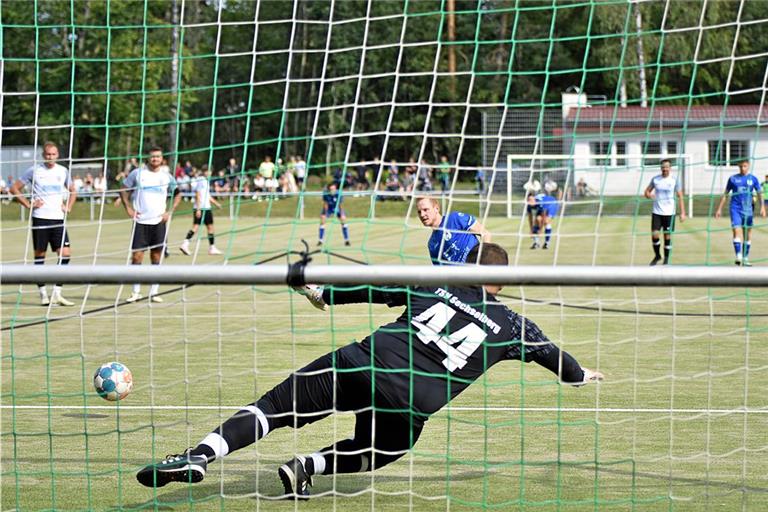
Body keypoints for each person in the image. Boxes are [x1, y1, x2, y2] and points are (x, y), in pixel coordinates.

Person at [135, 243, 603, 497]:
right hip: (412, 402)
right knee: (384, 448)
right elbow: (556, 358)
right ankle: (308, 465)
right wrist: (581, 375)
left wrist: (316, 289)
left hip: (362, 364)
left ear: (463, 264)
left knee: (274, 408)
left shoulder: (435, 282)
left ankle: (200, 454)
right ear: (504, 281)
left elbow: (369, 287)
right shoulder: (515, 324)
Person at [10, 142, 77, 306]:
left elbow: (73, 190)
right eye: (48, 154)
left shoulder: (63, 171)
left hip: (58, 219)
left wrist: (68, 206)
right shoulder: (34, 170)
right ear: (43, 155)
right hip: (40, 218)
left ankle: (57, 293)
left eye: (53, 154)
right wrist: (28, 204)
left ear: (58, 155)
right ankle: (43, 295)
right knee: (40, 257)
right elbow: (14, 188)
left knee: (65, 255)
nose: (50, 157)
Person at [119, 146, 182, 302]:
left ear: (162, 159)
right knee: (137, 257)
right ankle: (135, 291)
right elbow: (123, 189)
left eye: (158, 157)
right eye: (152, 156)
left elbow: (178, 194)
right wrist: (128, 207)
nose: (155, 159)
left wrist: (170, 212)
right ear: (148, 158)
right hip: (141, 221)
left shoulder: (167, 177)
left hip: (159, 222)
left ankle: (154, 292)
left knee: (156, 257)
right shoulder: (138, 173)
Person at [715, 160, 766, 266]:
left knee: (747, 234)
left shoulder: (753, 179)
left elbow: (760, 193)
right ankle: (738, 255)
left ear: (748, 166)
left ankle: (745, 257)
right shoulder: (733, 179)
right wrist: (719, 209)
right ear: (738, 167)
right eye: (741, 166)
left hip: (748, 210)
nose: (743, 168)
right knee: (736, 231)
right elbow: (725, 194)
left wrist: (762, 207)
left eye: (745, 166)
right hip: (735, 209)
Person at [416, 196, 491, 264]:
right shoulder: (432, 244)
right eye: (419, 212)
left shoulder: (455, 218)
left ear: (436, 209)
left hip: (479, 271)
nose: (422, 215)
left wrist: (483, 261)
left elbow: (485, 234)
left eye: (425, 210)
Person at [643, 159, 686, 265]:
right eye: (663, 167)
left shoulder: (674, 180)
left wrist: (683, 212)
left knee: (667, 236)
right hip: (657, 212)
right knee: (655, 234)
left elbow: (680, 196)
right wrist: (649, 195)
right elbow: (647, 191)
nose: (665, 169)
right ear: (660, 168)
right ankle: (657, 256)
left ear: (670, 168)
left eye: (667, 167)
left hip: (669, 213)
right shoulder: (656, 179)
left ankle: (666, 259)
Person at [180, 167, 223, 256]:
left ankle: (212, 248)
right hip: (202, 208)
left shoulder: (205, 181)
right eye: (208, 171)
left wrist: (216, 203)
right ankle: (185, 244)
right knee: (197, 227)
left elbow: (207, 196)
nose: (210, 173)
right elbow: (198, 194)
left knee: (208, 227)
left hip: (206, 208)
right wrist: (199, 209)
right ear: (205, 172)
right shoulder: (201, 180)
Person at [318, 182, 350, 246]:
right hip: (329, 208)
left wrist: (341, 213)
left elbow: (340, 205)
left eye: (334, 189)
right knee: (322, 219)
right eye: (331, 189)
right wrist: (324, 213)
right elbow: (325, 204)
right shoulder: (326, 193)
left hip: (336, 207)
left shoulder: (339, 193)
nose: (332, 191)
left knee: (343, 220)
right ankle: (320, 241)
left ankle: (347, 240)